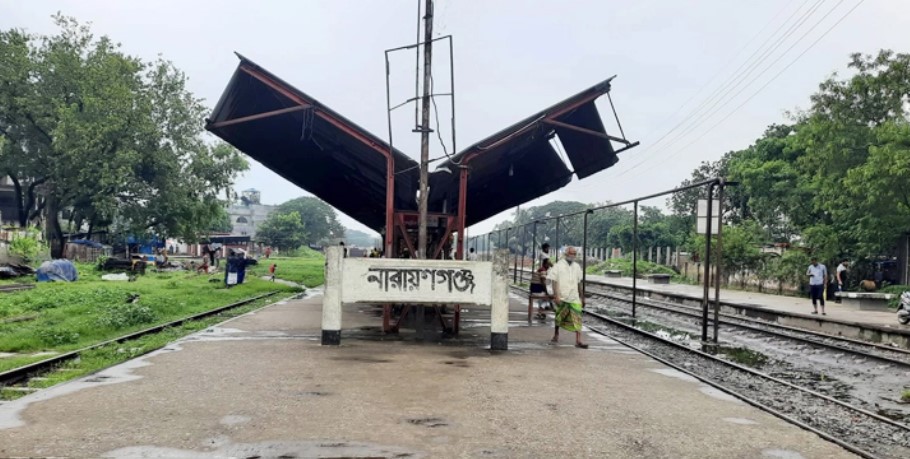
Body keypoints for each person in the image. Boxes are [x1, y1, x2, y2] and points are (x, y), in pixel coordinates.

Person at [549, 246, 588, 348]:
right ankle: (556, 334)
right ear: (566, 254)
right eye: (571, 253)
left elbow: (579, 283)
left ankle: (578, 340)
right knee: (559, 317)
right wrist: (556, 295)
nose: (573, 255)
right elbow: (554, 281)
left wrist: (582, 297)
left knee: (577, 317)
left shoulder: (577, 267)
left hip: (574, 297)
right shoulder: (558, 266)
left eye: (575, 254)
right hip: (562, 296)